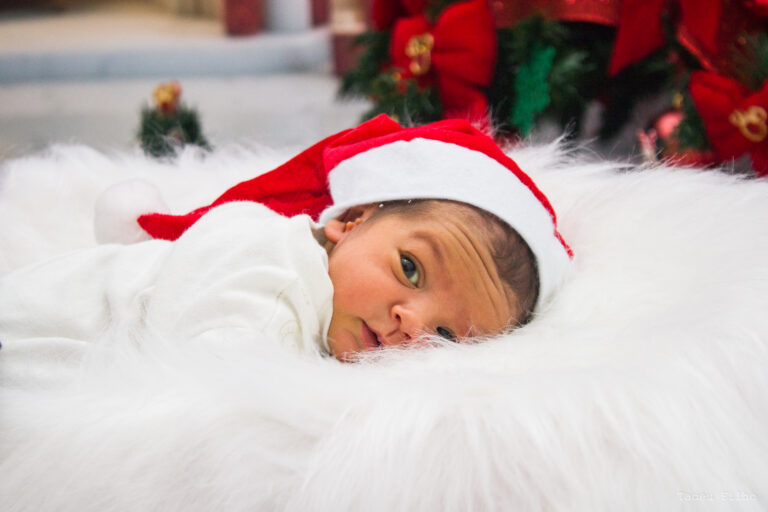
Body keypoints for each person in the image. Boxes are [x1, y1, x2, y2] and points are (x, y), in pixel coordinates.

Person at [0, 115, 571, 362]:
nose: (413, 325)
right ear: (348, 222)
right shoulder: (266, 254)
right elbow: (220, 381)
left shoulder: (328, 318)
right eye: (411, 269)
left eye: (448, 336)